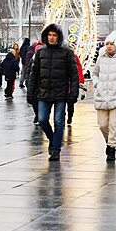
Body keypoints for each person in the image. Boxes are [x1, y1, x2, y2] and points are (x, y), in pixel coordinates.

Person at [27, 24, 79, 162]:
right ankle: (53, 139)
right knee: (42, 119)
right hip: (44, 92)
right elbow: (34, 74)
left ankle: (56, 150)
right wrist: (30, 92)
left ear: (59, 37)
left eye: (54, 35)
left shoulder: (66, 52)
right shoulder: (40, 52)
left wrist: (73, 93)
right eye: (49, 35)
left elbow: (73, 74)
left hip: (60, 93)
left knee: (58, 121)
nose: (51, 38)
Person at [92, 31, 116, 161]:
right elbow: (95, 73)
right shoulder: (100, 57)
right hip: (101, 96)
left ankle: (112, 148)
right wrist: (97, 83)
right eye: (107, 44)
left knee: (114, 124)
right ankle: (109, 141)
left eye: (111, 44)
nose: (109, 46)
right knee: (102, 125)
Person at [67, 51, 85, 125]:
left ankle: (70, 116)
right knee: (60, 105)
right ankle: (61, 119)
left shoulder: (74, 57)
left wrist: (81, 80)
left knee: (70, 104)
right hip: (62, 85)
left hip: (72, 85)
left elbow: (79, 68)